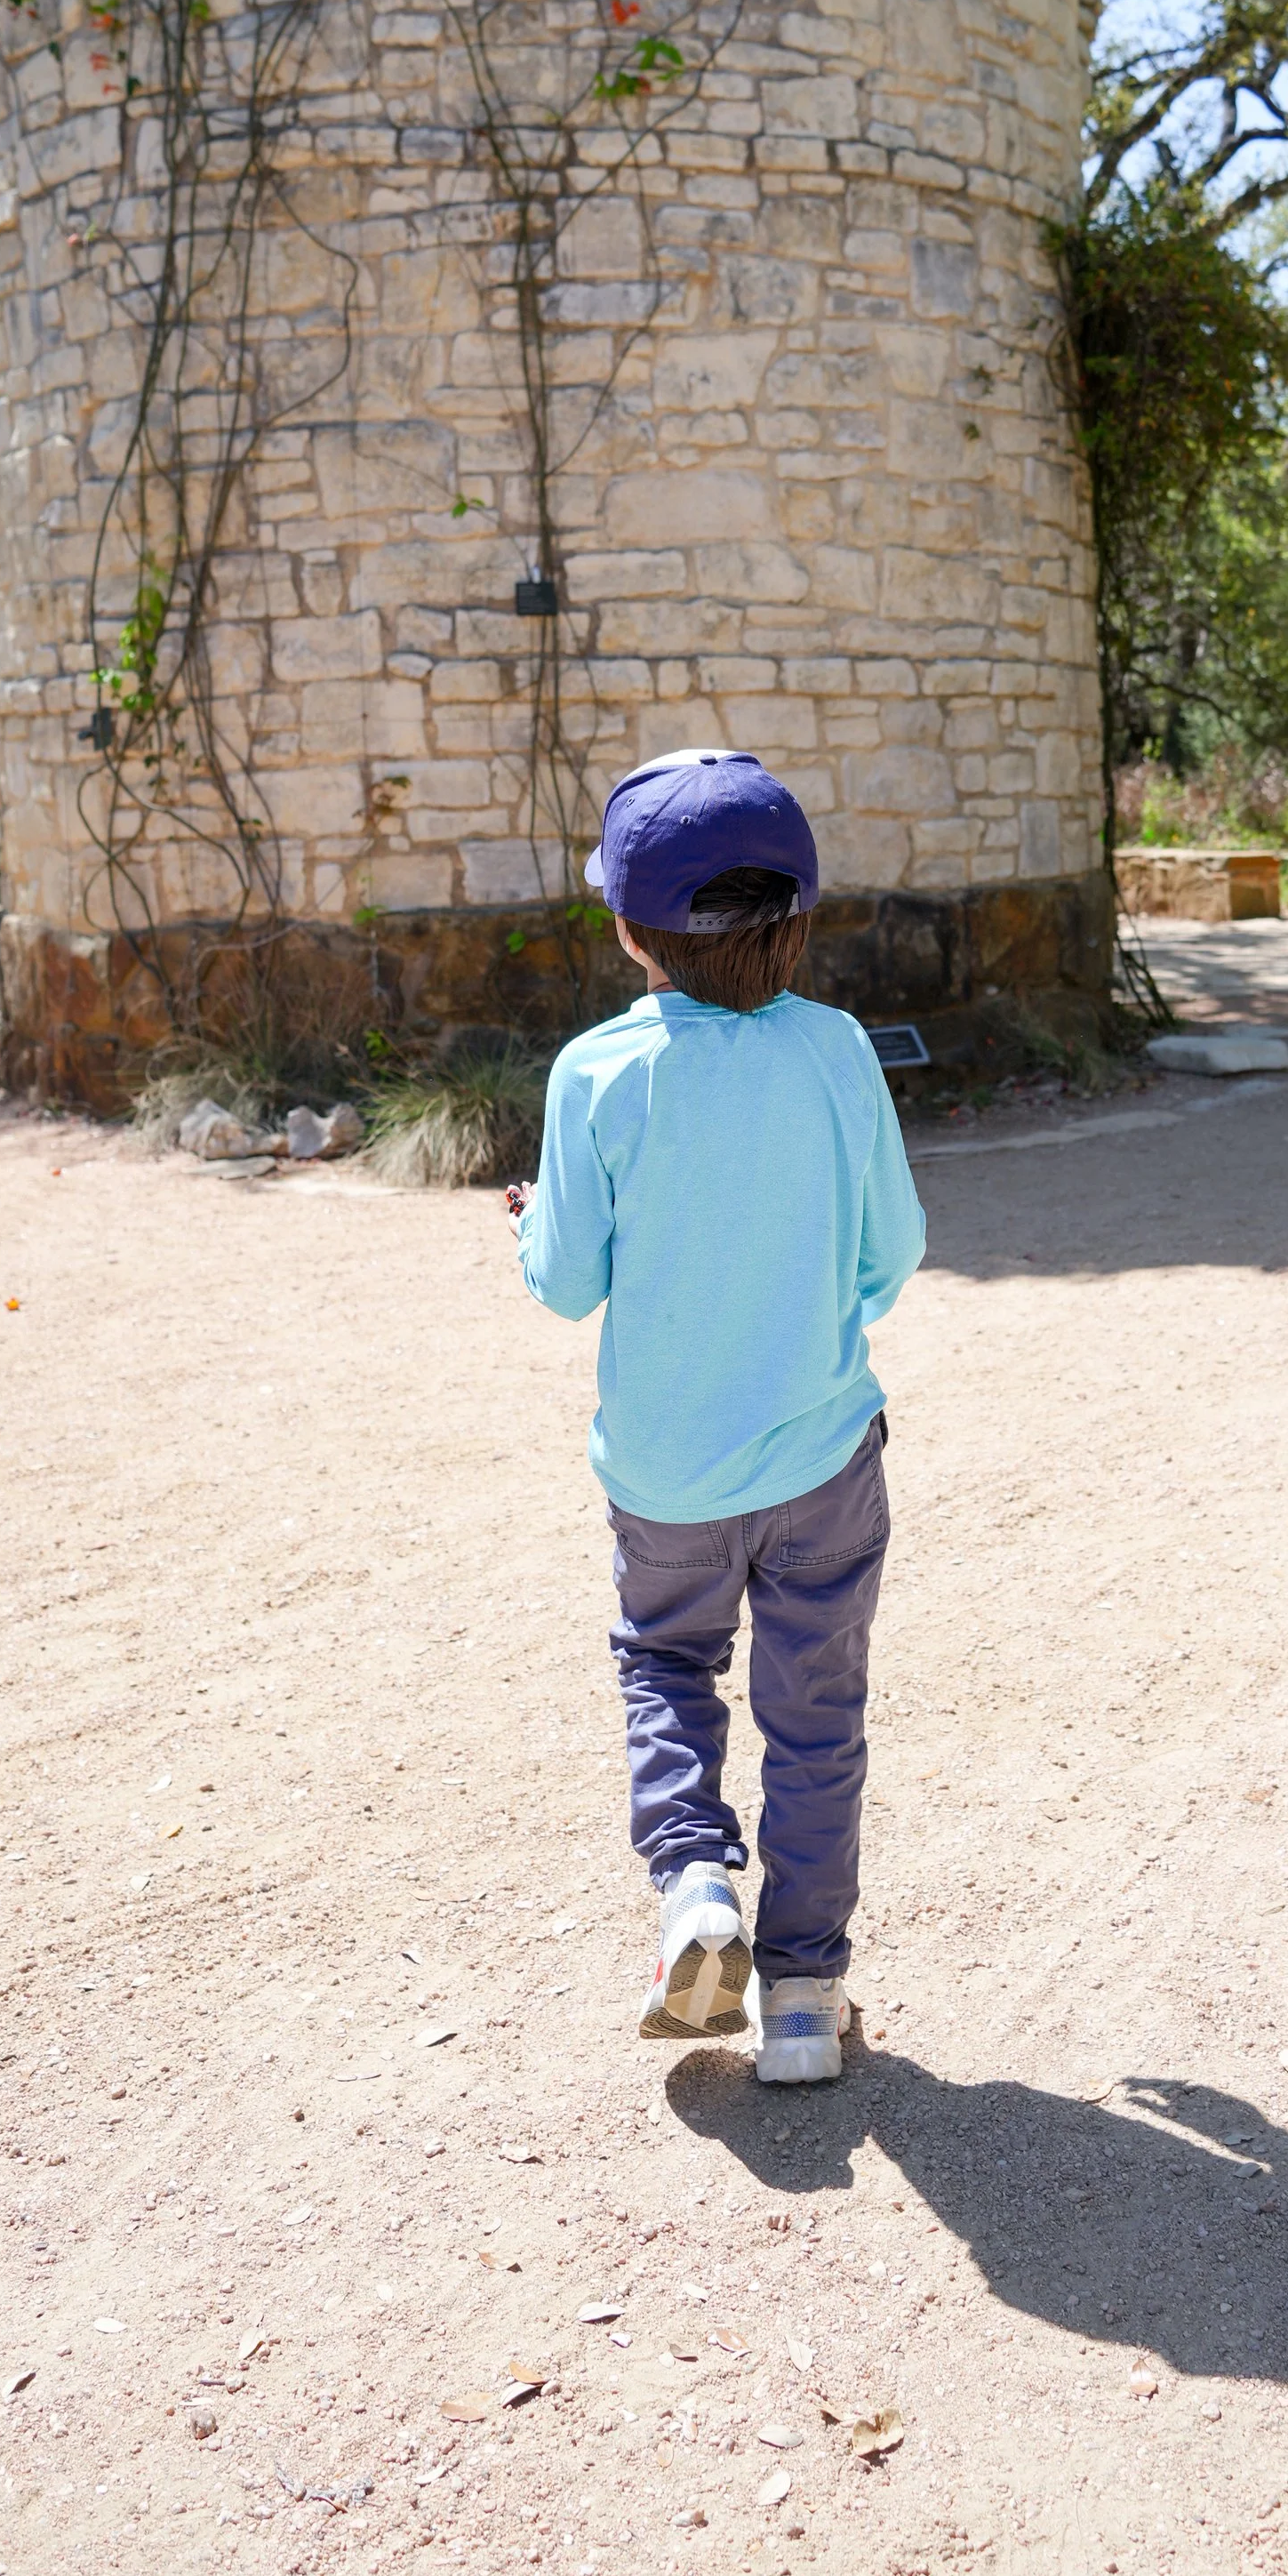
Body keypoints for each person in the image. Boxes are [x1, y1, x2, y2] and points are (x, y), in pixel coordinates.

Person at [510, 750, 925, 2085]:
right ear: (801, 920)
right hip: (821, 1456)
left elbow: (568, 1283)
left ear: (628, 929)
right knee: (817, 1714)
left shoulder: (595, 1074)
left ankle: (695, 1889)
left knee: (667, 1669)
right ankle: (805, 2002)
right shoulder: (840, 1048)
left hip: (669, 1475)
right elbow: (893, 1252)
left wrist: (532, 1230)